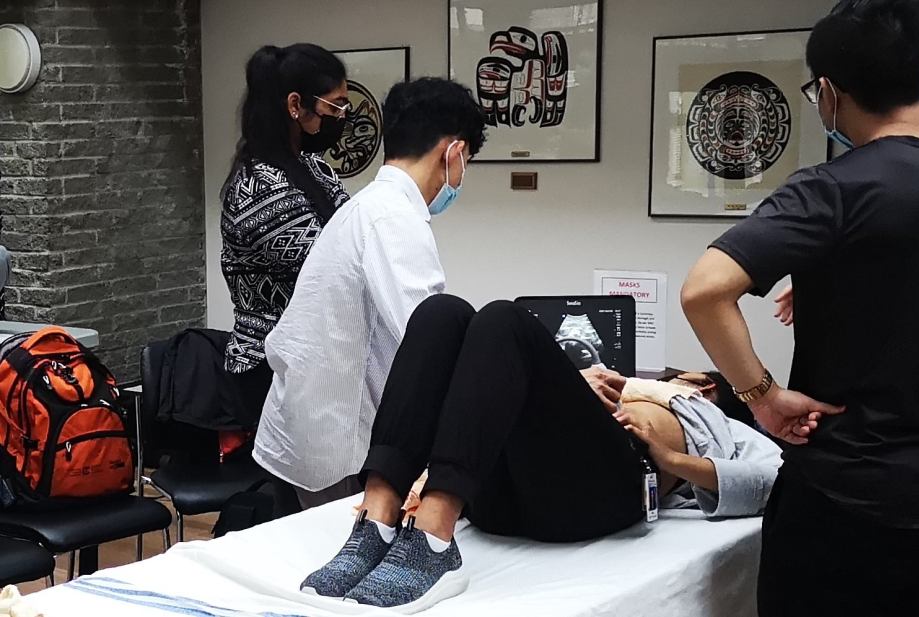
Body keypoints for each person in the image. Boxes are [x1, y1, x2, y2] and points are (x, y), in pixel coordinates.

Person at [680, 1, 919, 616]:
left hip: (841, 495)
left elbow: (705, 291)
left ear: (828, 94)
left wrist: (762, 396)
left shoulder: (833, 190)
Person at [296, 295, 782, 612]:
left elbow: (772, 483)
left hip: (600, 495)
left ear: (703, 385)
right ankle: (377, 523)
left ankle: (433, 543)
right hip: (508, 500)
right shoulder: (623, 387)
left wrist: (671, 460)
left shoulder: (719, 419)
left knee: (503, 319)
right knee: (441, 312)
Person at [253, 78, 487, 509]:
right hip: (335, 446)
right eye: (466, 160)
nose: (461, 175)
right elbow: (432, 339)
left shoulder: (369, 206)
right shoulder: (392, 219)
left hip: (307, 427)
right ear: (453, 152)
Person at [220, 44, 352, 421]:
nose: (341, 116)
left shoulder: (313, 167)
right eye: (335, 106)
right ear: (296, 105)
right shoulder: (257, 188)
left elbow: (354, 234)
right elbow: (331, 267)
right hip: (269, 366)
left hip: (312, 361)